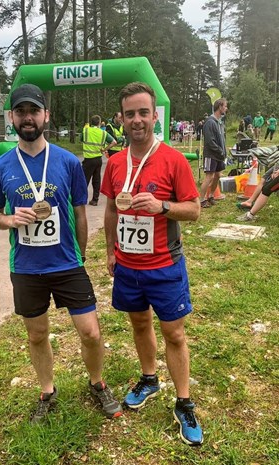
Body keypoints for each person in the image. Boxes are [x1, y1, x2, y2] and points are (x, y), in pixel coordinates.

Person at [0, 84, 122, 423]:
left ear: (46, 115)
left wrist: (82, 254)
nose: (27, 118)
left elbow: (78, 213)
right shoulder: (1, 166)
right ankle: (47, 391)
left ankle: (97, 382)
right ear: (12, 117)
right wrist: (9, 219)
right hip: (27, 267)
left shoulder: (67, 162)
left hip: (67, 263)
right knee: (37, 333)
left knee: (90, 331)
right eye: (21, 112)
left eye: (34, 111)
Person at [101, 82, 203, 446]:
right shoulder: (114, 162)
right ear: (122, 119)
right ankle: (149, 378)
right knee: (139, 323)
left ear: (154, 115)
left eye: (144, 112)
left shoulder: (173, 159)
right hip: (128, 267)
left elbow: (194, 210)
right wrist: (111, 251)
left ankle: (184, 402)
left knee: (174, 333)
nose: (137, 120)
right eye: (130, 114)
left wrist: (162, 206)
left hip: (164, 265)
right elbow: (112, 208)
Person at [82, 115, 117, 206]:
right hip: (98, 159)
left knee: (84, 180)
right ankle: (95, 200)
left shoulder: (85, 130)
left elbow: (81, 139)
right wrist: (105, 149)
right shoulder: (103, 133)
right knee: (96, 180)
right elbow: (114, 142)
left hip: (88, 159)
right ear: (99, 123)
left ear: (91, 122)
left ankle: (81, 199)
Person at [199, 98, 228, 208]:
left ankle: (211, 196)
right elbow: (210, 141)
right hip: (211, 154)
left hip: (219, 155)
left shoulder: (219, 122)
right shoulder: (210, 122)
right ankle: (201, 200)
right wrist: (220, 151)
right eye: (225, 106)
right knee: (209, 177)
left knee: (218, 175)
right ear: (220, 107)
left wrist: (224, 151)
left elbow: (221, 139)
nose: (226, 108)